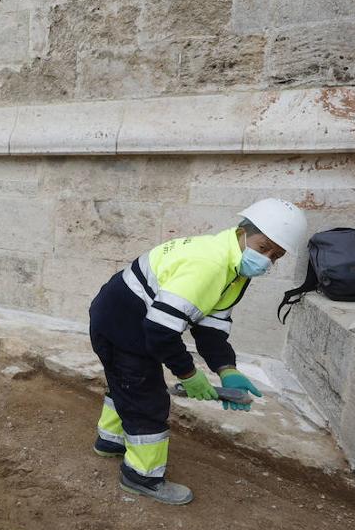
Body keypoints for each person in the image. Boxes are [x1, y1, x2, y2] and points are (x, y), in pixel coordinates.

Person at [86, 198, 308, 505]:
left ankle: (110, 442)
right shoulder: (211, 263)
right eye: (264, 247)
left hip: (133, 323)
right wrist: (189, 375)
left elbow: (210, 327)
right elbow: (161, 331)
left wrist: (226, 369)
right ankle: (141, 477)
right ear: (244, 232)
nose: (267, 259)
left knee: (130, 385)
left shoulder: (235, 268)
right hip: (121, 326)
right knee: (146, 400)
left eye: (276, 255)